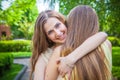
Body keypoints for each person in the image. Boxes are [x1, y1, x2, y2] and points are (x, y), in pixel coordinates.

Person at [30, 10, 108, 80]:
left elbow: (103, 35)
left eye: (57, 25)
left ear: (63, 22)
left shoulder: (81, 43)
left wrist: (70, 59)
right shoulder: (44, 57)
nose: (58, 33)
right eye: (50, 32)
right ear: (46, 37)